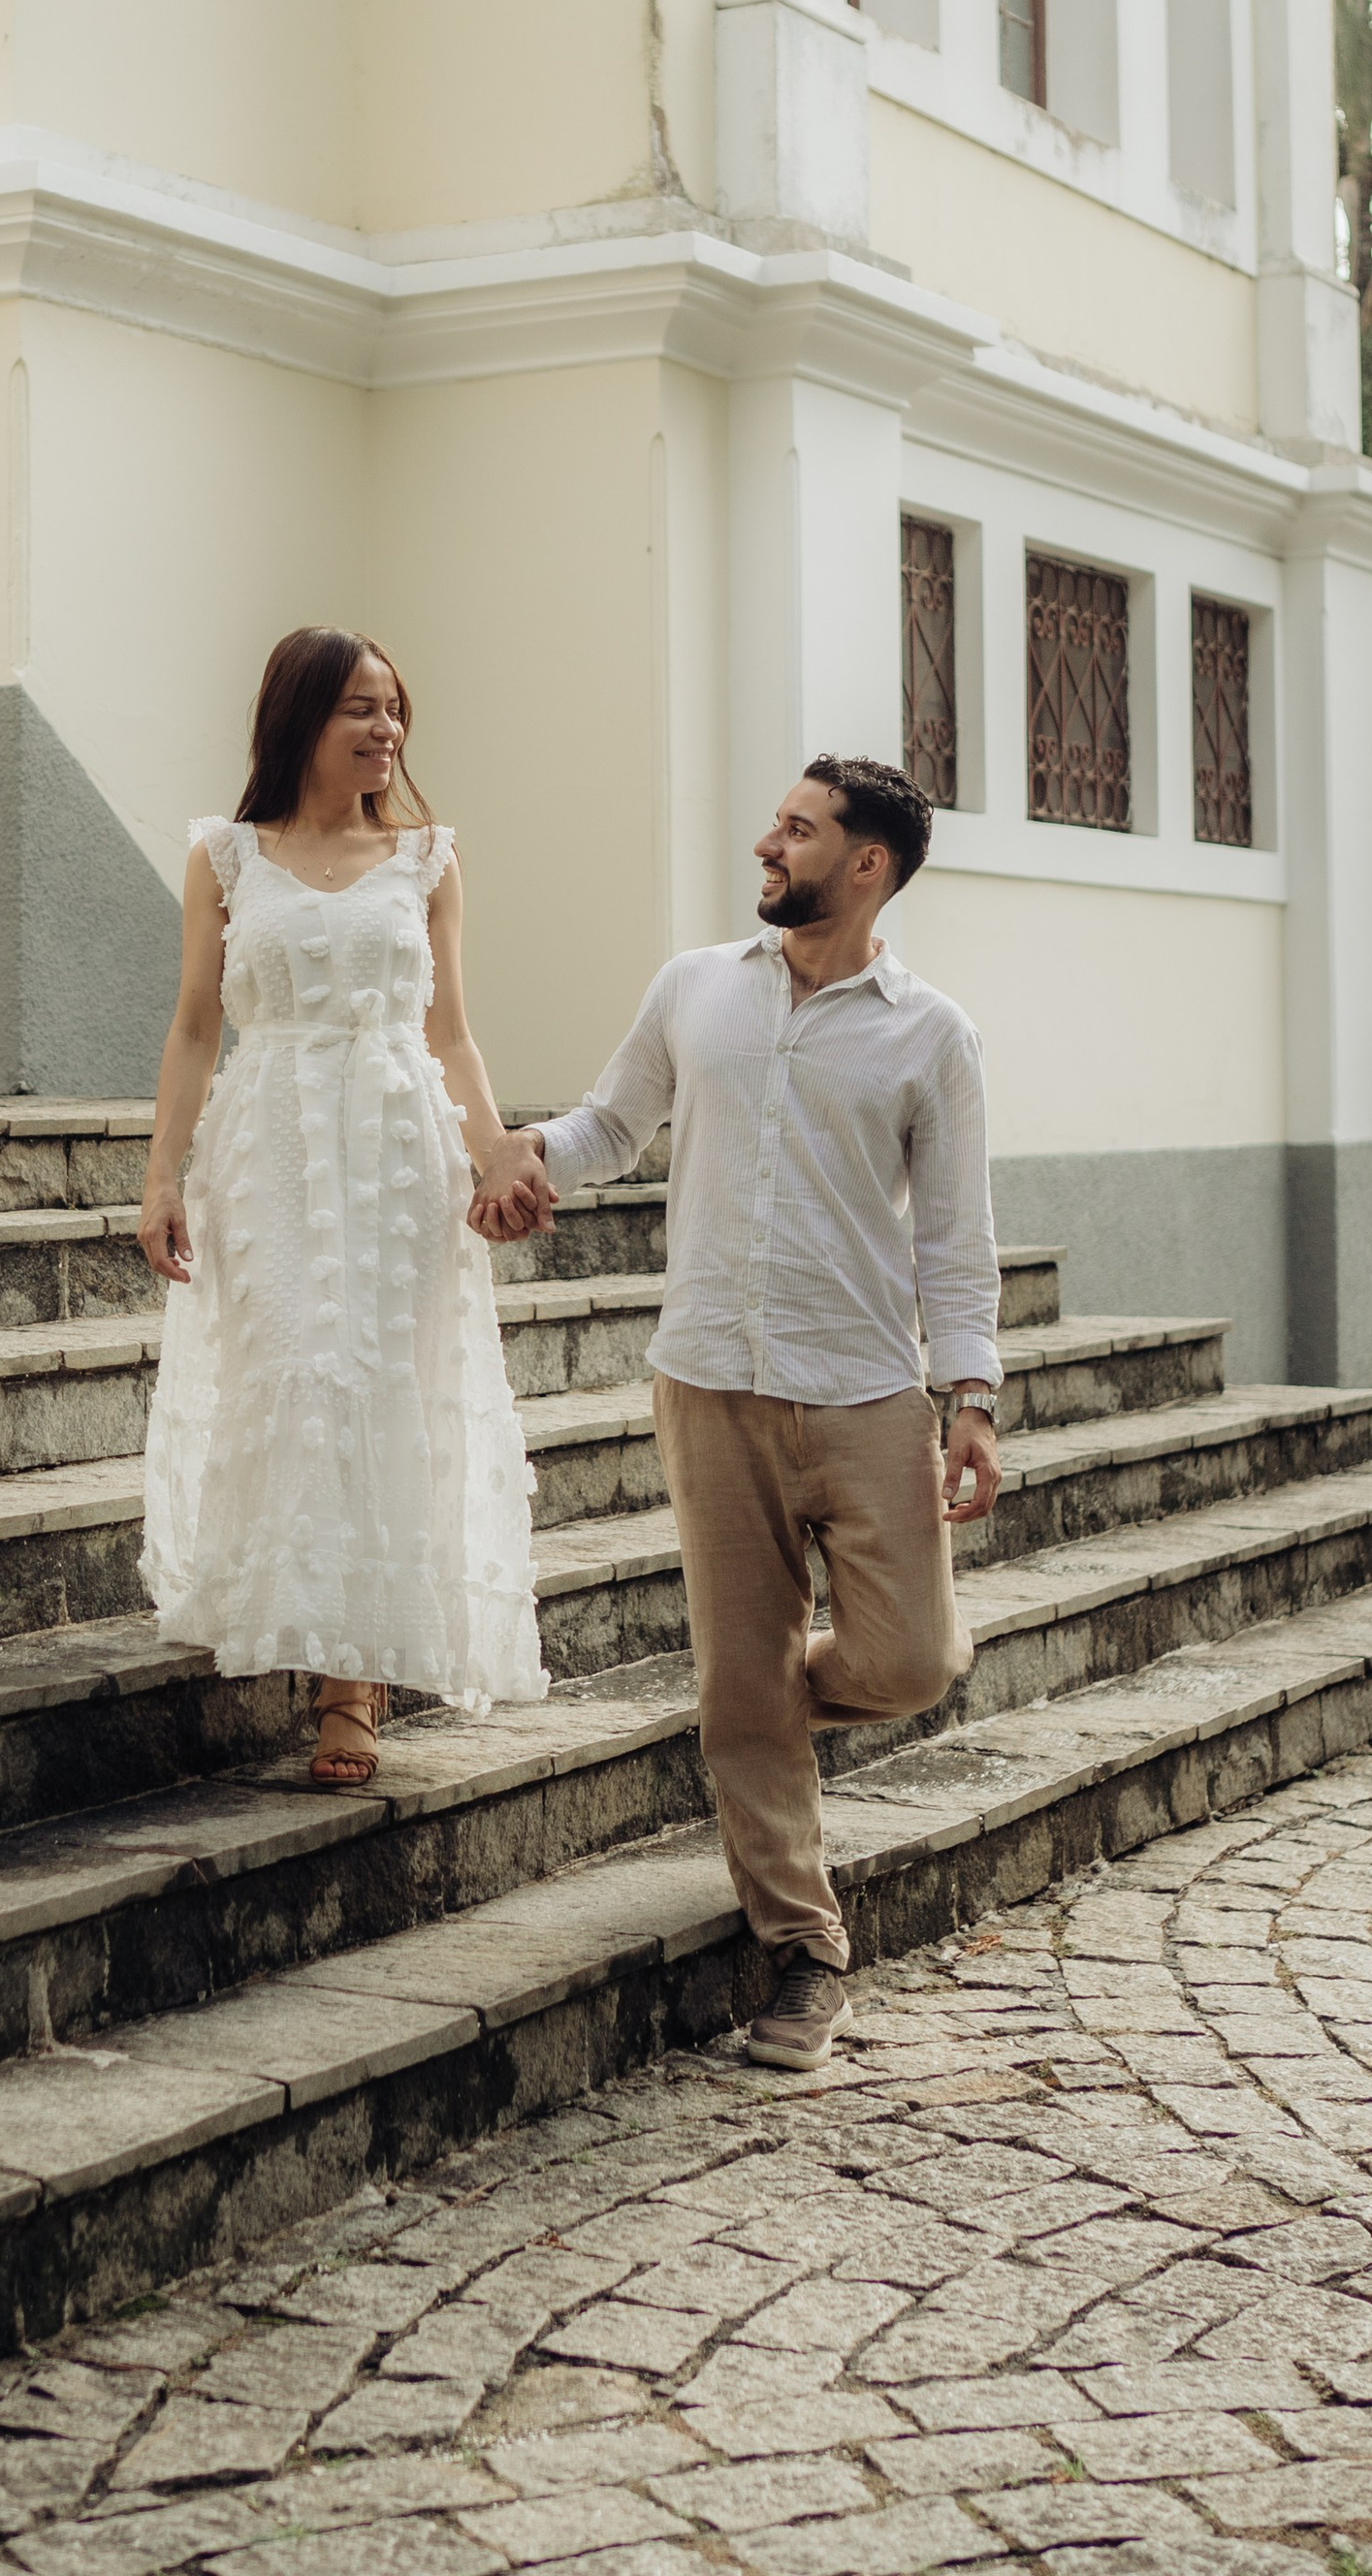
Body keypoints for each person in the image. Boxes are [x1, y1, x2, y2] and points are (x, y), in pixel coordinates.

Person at [470, 756, 1001, 2071]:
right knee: (741, 1676)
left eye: (799, 830)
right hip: (706, 1379)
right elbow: (609, 1129)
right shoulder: (695, 988)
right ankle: (805, 1949)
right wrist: (522, 1160)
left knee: (911, 1662)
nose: (768, 843)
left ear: (866, 865)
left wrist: (973, 1395)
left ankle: (745, 1714)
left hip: (866, 1390)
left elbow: (955, 1235)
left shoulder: (931, 1033)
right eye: (776, 821)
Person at [137, 625, 547, 1785]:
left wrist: (496, 1156)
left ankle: (350, 1685)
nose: (386, 730)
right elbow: (194, 1025)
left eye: (394, 709)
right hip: (265, 1138)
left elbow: (451, 1033)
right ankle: (290, 1608)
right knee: (289, 1367)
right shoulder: (225, 857)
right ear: (300, 721)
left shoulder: (428, 858)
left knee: (379, 1373)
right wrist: (162, 1174)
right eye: (360, 709)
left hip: (393, 1142)